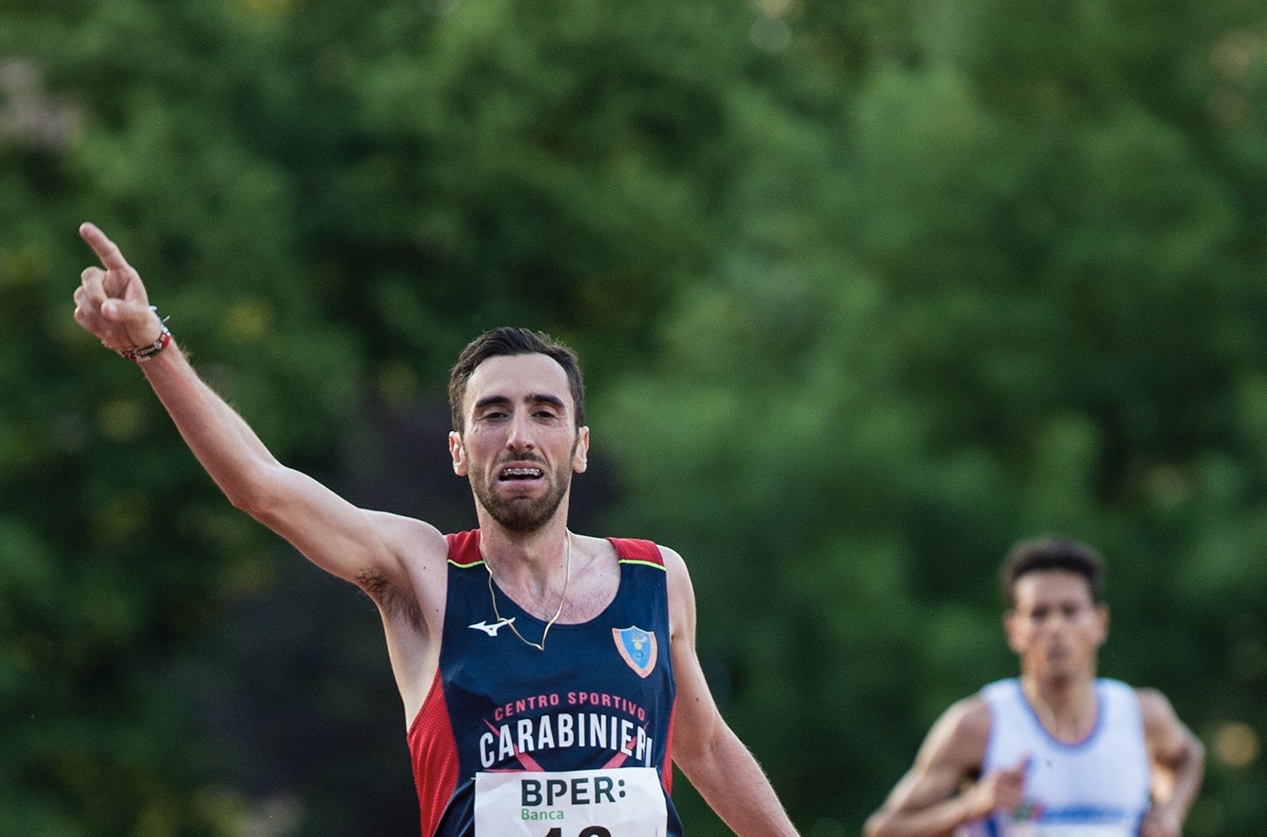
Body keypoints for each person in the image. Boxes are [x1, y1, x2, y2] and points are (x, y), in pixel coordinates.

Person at [72, 222, 801, 837]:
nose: (519, 434)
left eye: (544, 412)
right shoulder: (421, 574)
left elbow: (703, 746)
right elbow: (262, 488)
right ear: (458, 450)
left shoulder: (655, 578)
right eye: (493, 413)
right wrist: (152, 345)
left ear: (578, 445)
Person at [864, 536, 1204, 837]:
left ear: (1100, 623)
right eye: (1039, 614)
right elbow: (883, 829)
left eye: (1070, 611)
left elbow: (1189, 755)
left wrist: (1169, 813)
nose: (1055, 627)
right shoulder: (978, 725)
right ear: (1014, 629)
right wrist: (969, 807)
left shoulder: (1140, 714)